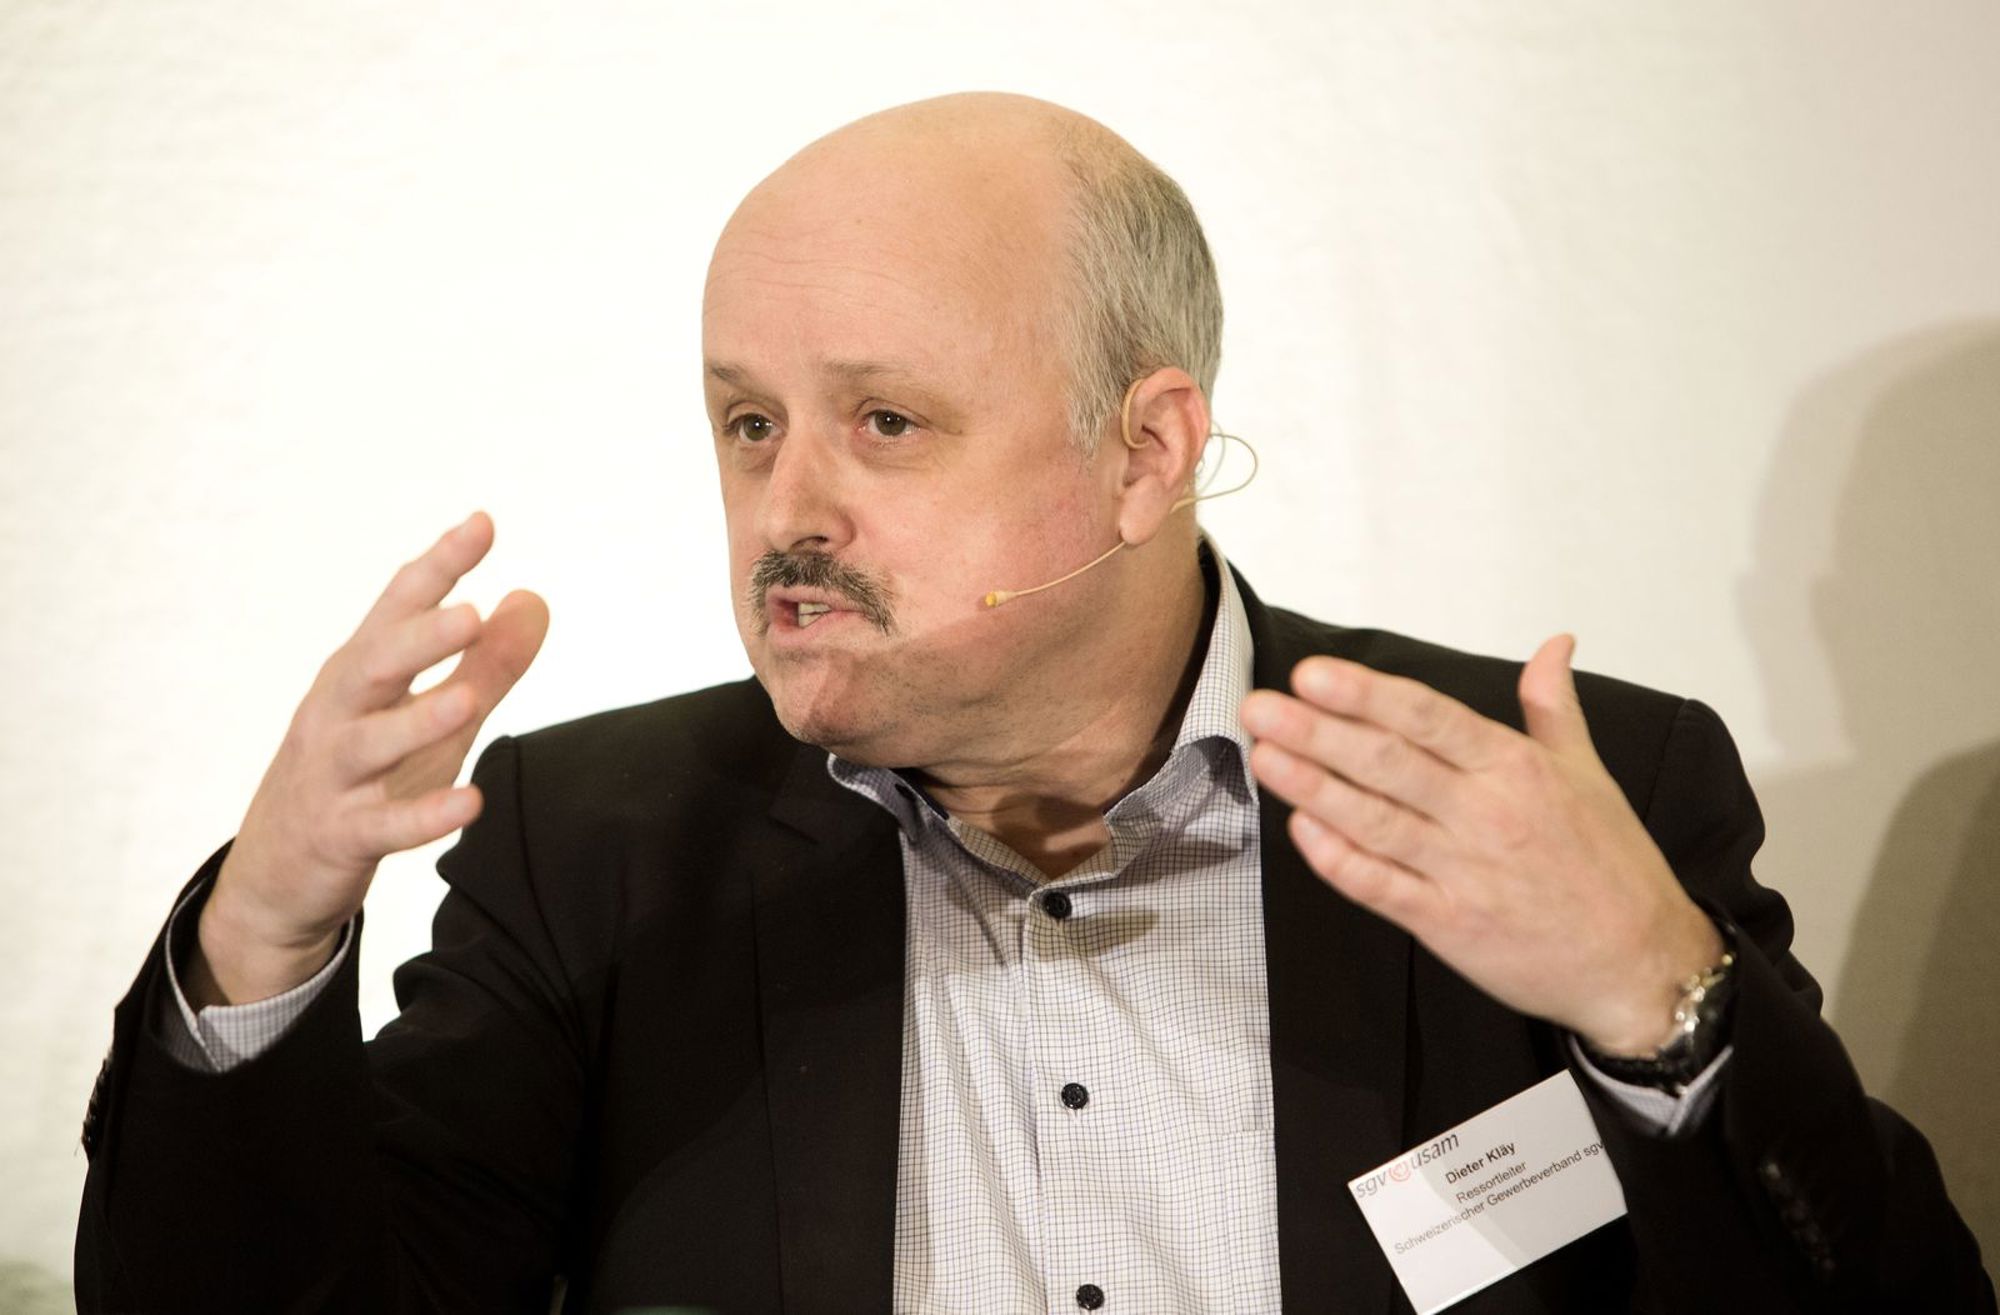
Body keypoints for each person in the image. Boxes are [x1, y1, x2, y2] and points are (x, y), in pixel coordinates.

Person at [75, 92, 1990, 1313]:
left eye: (885, 422)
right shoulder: (602, 854)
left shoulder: (1550, 786)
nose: (787, 509)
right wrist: (268, 931)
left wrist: (1663, 1005)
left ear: (1147, 450)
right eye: (749, 424)